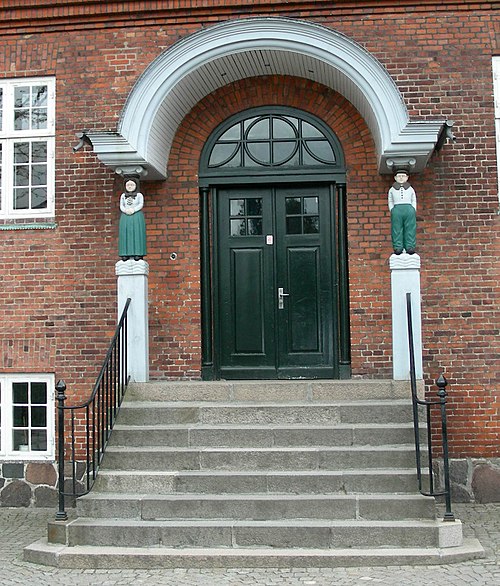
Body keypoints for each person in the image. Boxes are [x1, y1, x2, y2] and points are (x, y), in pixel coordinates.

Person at [388, 169, 417, 254]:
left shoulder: (410, 189)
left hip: (409, 209)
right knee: (396, 228)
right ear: (395, 178)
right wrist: (392, 209)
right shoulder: (392, 189)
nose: (401, 178)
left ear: (407, 177)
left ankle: (410, 246)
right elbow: (390, 200)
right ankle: (398, 247)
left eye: (403, 176)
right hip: (397, 210)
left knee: (410, 228)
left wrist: (413, 209)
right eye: (399, 176)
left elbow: (414, 199)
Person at [118, 177, 147, 260]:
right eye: (128, 185)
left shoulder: (139, 195)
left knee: (137, 233)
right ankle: (125, 253)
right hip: (126, 217)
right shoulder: (123, 196)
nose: (130, 186)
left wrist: (133, 210)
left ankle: (138, 253)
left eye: (132, 185)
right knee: (125, 234)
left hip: (136, 216)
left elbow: (140, 204)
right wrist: (125, 210)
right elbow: (121, 205)